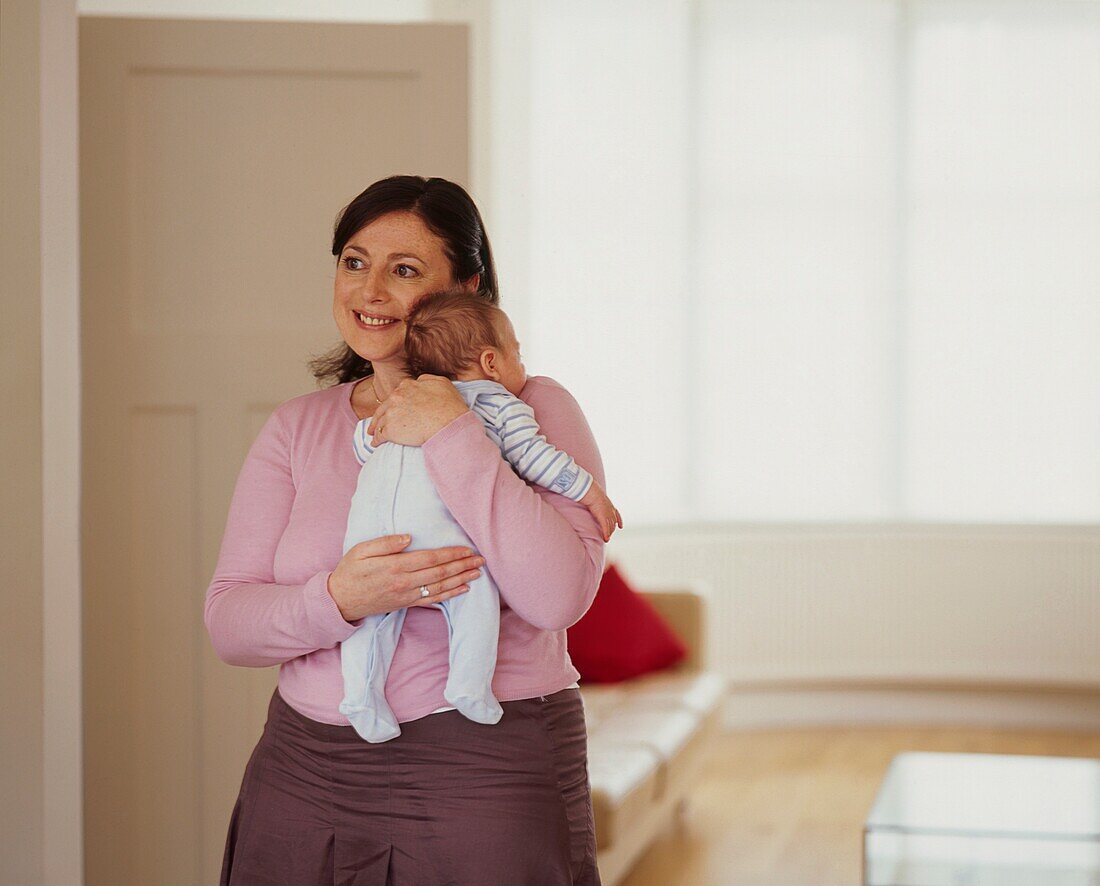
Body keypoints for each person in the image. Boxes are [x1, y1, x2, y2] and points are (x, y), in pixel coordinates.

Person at [204, 174, 606, 885]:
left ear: (467, 286)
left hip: (486, 766)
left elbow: (558, 598)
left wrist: (453, 430)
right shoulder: (300, 427)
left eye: (406, 269)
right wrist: (341, 597)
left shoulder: (530, 407)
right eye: (354, 262)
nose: (371, 291)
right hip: (305, 771)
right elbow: (230, 623)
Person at [339, 289, 623, 743]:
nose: (523, 368)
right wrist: (590, 491)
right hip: (434, 527)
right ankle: (468, 685)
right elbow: (535, 457)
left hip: (370, 526)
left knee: (375, 615)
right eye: (518, 355)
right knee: (472, 594)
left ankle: (359, 695)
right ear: (491, 363)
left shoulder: (400, 399)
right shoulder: (497, 402)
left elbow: (362, 443)